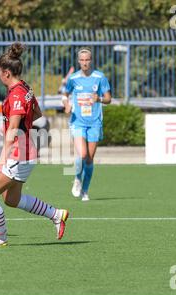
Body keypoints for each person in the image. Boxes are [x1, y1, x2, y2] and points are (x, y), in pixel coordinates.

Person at [0, 42, 70, 247]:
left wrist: (3, 157)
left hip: (19, 153)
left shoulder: (17, 95)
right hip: (26, 151)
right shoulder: (25, 88)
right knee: (11, 199)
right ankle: (56, 214)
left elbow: (13, 129)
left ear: (7, 73)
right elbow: (37, 114)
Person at [62, 47, 112, 201]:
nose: (84, 63)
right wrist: (66, 105)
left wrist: (99, 99)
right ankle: (77, 178)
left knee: (89, 159)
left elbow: (109, 99)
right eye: (82, 60)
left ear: (91, 61)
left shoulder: (99, 77)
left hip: (95, 123)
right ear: (78, 61)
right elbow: (65, 94)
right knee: (82, 154)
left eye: (87, 60)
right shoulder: (73, 79)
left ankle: (85, 190)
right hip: (78, 122)